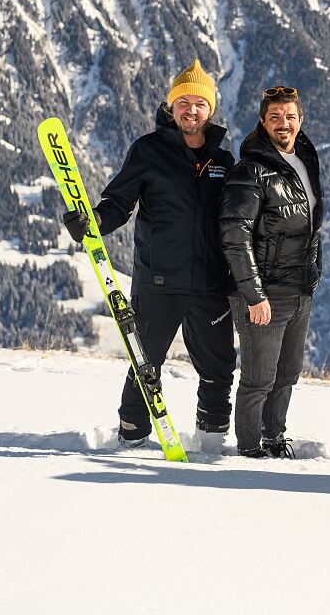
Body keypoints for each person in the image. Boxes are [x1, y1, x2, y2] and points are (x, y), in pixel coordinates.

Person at [61, 60, 237, 447]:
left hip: (210, 283)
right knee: (145, 363)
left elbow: (237, 221)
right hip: (160, 280)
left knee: (220, 368)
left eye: (199, 104)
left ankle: (210, 444)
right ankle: (131, 436)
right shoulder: (149, 150)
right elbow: (118, 202)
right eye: (183, 102)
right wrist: (91, 223)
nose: (191, 110)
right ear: (171, 107)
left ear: (210, 110)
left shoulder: (224, 160)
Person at [220, 86, 323, 458]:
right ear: (263, 121)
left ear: (300, 120)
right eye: (275, 117)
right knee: (258, 380)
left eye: (290, 116)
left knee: (287, 376)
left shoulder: (305, 162)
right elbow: (235, 235)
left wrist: (315, 272)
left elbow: (312, 224)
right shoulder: (249, 171)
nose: (284, 123)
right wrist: (253, 294)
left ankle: (273, 439)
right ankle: (249, 450)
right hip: (264, 294)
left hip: (299, 290)